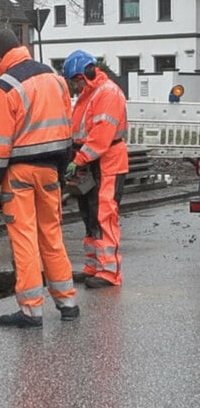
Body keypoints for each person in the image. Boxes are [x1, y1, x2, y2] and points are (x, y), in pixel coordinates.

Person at [0, 28, 79, 328]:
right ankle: (68, 302)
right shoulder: (54, 78)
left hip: (19, 173)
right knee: (51, 235)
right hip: (51, 170)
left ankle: (30, 310)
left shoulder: (3, 86)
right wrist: (61, 170)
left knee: (24, 239)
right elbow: (67, 131)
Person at [62, 49, 129, 288]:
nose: (76, 86)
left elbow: (101, 135)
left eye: (77, 81)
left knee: (104, 216)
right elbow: (80, 130)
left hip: (107, 163)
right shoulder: (90, 94)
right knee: (90, 215)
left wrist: (78, 160)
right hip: (93, 162)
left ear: (86, 74)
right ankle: (94, 266)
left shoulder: (107, 93)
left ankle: (109, 272)